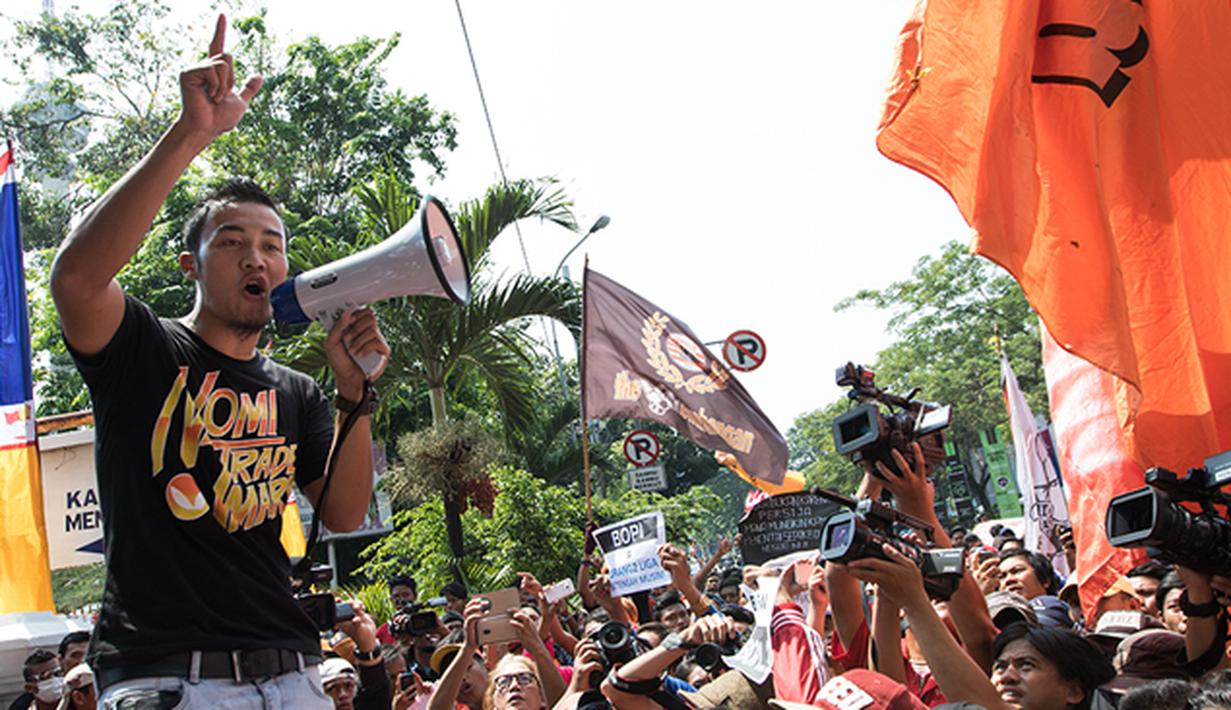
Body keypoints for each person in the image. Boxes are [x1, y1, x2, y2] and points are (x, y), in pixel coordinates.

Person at [49, 15, 388, 707]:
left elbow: (346, 512)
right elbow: (77, 281)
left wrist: (356, 394)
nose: (257, 256)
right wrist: (192, 133)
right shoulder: (142, 348)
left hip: (293, 673)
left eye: (272, 243)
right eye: (232, 241)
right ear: (190, 266)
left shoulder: (297, 391)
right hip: (169, 675)